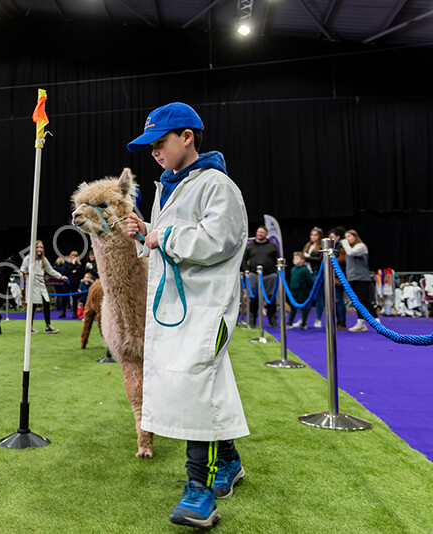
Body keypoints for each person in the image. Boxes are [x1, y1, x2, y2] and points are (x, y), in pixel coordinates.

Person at [126, 102, 249, 529]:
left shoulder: (217, 185)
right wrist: (146, 233)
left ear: (187, 137)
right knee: (202, 384)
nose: (155, 153)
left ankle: (198, 489)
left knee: (199, 387)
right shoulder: (168, 186)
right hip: (173, 308)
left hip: (206, 306)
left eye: (160, 143)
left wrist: (162, 235)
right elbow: (163, 243)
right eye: (151, 147)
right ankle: (228, 460)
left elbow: (219, 240)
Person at [20, 240, 68, 333]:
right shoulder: (28, 258)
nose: (39, 249)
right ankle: (29, 327)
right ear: (33, 248)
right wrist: (24, 272)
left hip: (41, 285)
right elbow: (22, 268)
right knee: (32, 306)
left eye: (41, 247)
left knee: (46, 303)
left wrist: (60, 276)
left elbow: (50, 270)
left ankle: (48, 326)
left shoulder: (43, 259)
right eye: (37, 247)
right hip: (32, 285)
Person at [241, 225, 279, 328]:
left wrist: (276, 272)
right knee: (254, 298)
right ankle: (253, 320)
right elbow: (243, 259)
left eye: (262, 232)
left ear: (266, 234)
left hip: (270, 275)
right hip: (254, 275)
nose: (259, 234)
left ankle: (272, 320)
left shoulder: (272, 246)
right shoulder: (250, 246)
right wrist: (246, 271)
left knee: (271, 298)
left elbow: (278, 259)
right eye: (258, 232)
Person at [341, 229, 378, 332]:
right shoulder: (349, 248)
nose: (346, 239)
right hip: (352, 277)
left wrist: (344, 243)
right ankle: (361, 323)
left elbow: (351, 253)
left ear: (355, 237)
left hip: (362, 278)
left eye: (349, 236)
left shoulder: (361, 247)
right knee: (356, 301)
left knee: (364, 300)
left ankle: (377, 321)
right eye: (345, 237)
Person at [302, 227, 325, 328]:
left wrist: (307, 258)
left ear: (319, 236)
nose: (313, 237)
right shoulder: (308, 245)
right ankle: (304, 320)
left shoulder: (321, 246)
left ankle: (318, 319)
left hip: (317, 273)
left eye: (315, 235)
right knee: (307, 297)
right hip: (307, 272)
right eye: (312, 235)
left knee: (318, 297)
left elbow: (320, 259)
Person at [328, 226, 348, 330]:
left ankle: (342, 322)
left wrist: (331, 262)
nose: (330, 239)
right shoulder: (333, 247)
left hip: (340, 275)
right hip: (333, 275)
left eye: (332, 237)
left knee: (339, 299)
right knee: (335, 300)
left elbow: (342, 258)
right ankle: (337, 321)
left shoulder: (341, 246)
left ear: (338, 237)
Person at [288, 251, 314, 329]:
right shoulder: (293, 269)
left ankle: (304, 322)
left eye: (297, 258)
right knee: (292, 307)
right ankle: (290, 322)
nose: (295, 260)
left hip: (302, 291)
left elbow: (310, 281)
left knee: (303, 307)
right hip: (293, 291)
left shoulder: (305, 270)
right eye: (294, 258)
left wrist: (307, 288)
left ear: (302, 260)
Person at [65, 250, 83, 318]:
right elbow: (65, 271)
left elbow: (78, 273)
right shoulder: (67, 263)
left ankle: (75, 312)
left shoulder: (78, 264)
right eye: (72, 255)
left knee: (74, 298)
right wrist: (72, 271)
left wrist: (74, 264)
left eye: (75, 256)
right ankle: (63, 312)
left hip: (75, 284)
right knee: (64, 297)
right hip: (67, 282)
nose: (73, 257)